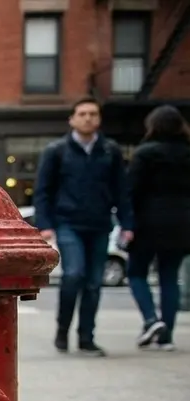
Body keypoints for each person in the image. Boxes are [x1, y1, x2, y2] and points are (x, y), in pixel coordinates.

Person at [33, 97, 134, 357]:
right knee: (74, 274)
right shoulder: (56, 151)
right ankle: (62, 330)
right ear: (72, 119)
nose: (88, 118)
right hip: (68, 224)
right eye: (82, 113)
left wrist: (127, 223)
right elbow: (43, 191)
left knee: (93, 283)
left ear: (99, 119)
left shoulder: (110, 151)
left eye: (93, 113)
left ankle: (86, 338)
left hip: (100, 224)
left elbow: (121, 191)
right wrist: (45, 225)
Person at [125, 104, 190, 351]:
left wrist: (128, 223)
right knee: (169, 277)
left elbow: (132, 190)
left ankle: (152, 319)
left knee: (136, 272)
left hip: (148, 222)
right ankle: (167, 336)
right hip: (182, 223)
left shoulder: (145, 154)